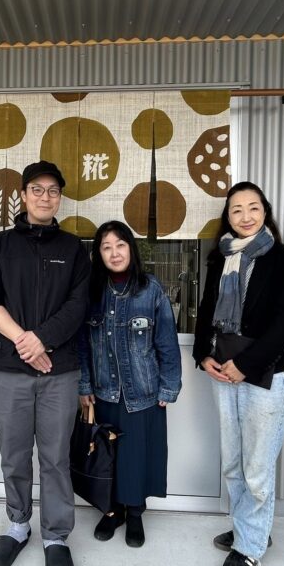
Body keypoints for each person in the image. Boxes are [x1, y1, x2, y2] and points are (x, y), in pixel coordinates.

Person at [0, 160, 90, 566]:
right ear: (23, 196)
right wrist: (26, 343)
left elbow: (78, 306)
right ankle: (18, 525)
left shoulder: (74, 248)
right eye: (37, 190)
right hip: (10, 370)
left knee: (56, 458)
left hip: (60, 371)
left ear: (60, 198)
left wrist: (42, 340)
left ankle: (56, 537)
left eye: (53, 191)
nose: (45, 197)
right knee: (14, 454)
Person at [192, 181, 284, 566]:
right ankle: (248, 527)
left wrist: (246, 365)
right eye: (236, 209)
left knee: (257, 465)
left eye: (253, 207)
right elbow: (207, 311)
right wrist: (203, 354)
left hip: (264, 374)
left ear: (265, 211)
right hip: (223, 372)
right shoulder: (220, 257)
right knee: (235, 462)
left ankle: (250, 544)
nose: (245, 216)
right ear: (228, 216)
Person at [78, 220, 182, 547]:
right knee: (109, 455)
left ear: (131, 249)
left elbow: (167, 342)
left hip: (143, 391)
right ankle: (113, 512)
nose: (114, 253)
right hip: (104, 391)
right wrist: (84, 385)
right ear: (99, 254)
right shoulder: (92, 292)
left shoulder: (150, 289)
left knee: (136, 455)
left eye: (120, 245)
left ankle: (135, 513)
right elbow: (82, 345)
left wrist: (169, 386)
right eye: (106, 247)